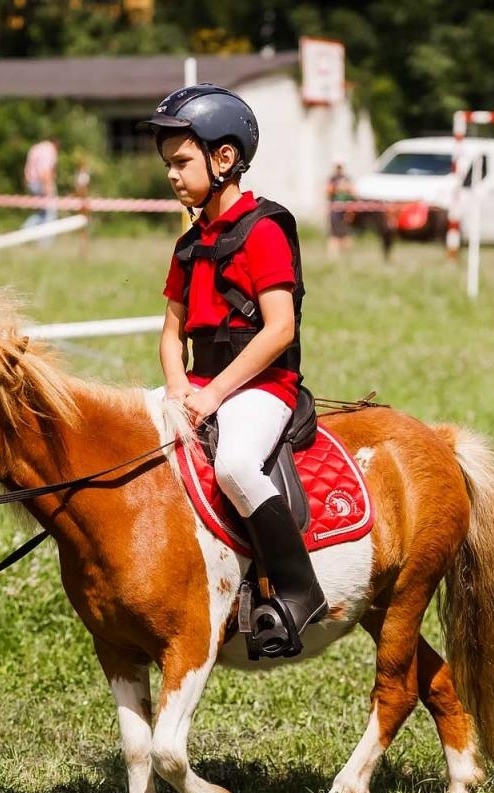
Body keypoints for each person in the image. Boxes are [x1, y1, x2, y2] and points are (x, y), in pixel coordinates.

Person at [140, 84, 327, 658]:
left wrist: (214, 393)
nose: (171, 175)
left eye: (181, 162)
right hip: (196, 386)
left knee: (238, 463)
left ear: (224, 159)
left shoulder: (265, 231)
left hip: (260, 386)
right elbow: (172, 335)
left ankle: (297, 591)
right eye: (167, 164)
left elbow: (279, 330)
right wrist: (177, 389)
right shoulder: (188, 245)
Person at [21, 135, 59, 239]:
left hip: (31, 183)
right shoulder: (49, 150)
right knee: (50, 214)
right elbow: (44, 170)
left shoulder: (36, 148)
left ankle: (24, 234)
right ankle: (45, 244)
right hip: (41, 183)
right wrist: (48, 188)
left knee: (41, 214)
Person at [325, 160, 355, 258]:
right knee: (334, 234)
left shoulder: (347, 179)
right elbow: (327, 192)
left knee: (346, 233)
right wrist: (337, 188)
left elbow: (353, 192)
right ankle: (333, 256)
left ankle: (347, 256)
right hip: (335, 210)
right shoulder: (332, 179)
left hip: (346, 210)